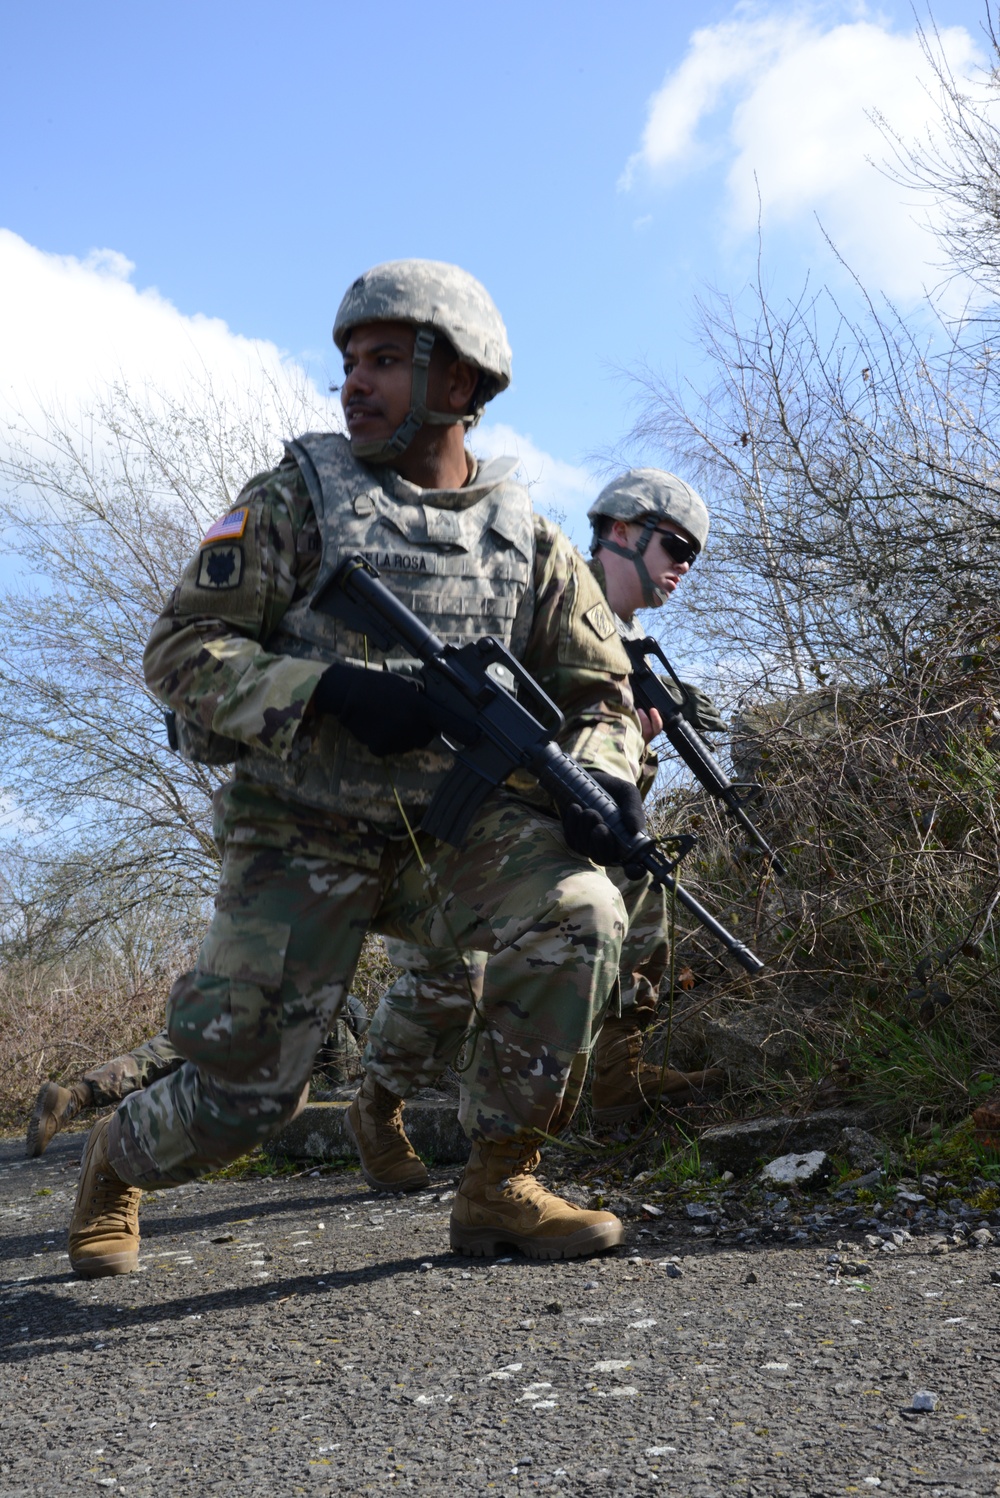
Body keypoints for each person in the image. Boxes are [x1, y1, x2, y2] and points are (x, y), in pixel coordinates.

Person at [68, 258, 659, 1277]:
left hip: (456, 835)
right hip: (301, 825)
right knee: (248, 1097)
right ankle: (112, 1157)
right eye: (349, 361)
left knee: (584, 911)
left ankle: (497, 1186)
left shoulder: (528, 539)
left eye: (386, 360)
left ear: (460, 385)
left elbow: (603, 695)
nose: (354, 383)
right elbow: (178, 654)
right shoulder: (294, 498)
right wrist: (329, 691)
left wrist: (605, 778)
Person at [346, 468, 726, 1191]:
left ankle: (615, 1074)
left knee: (640, 888)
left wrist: (631, 752)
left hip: (544, 841)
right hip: (456, 827)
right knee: (449, 981)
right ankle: (376, 1109)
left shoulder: (635, 651)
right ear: (621, 528)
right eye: (675, 545)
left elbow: (606, 787)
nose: (683, 567)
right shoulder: (535, 598)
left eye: (692, 556)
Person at [25, 997, 370, 1157]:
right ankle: (124, 1125)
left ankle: (73, 1098)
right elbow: (341, 1088)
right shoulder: (337, 1020)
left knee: (157, 1058)